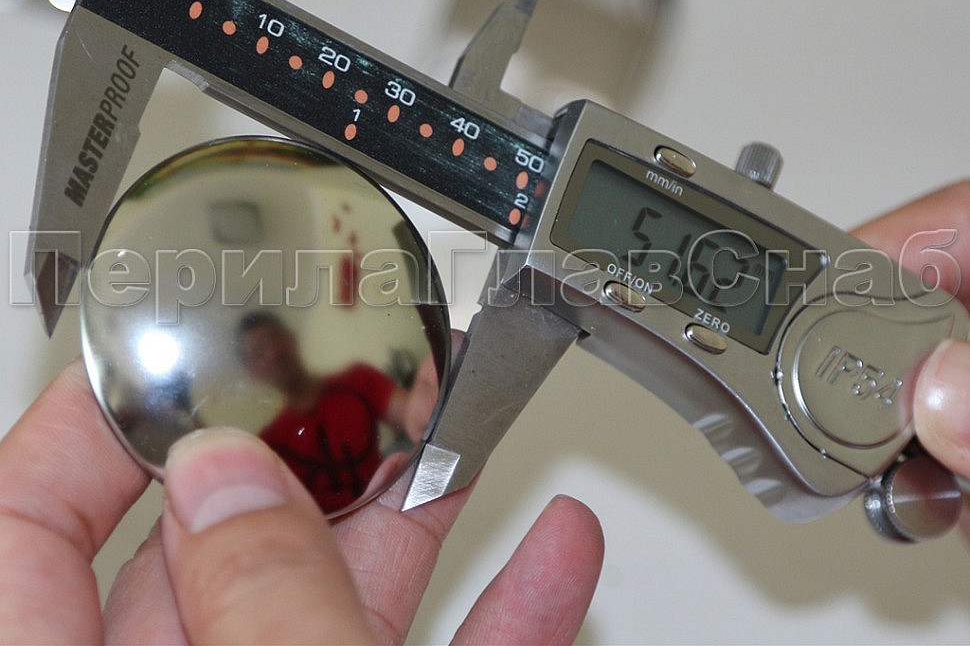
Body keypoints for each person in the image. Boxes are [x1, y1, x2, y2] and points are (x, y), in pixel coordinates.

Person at [0, 182, 967, 643]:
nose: (268, 357)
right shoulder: (276, 418)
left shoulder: (365, 384)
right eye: (254, 354)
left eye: (267, 344)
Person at [237, 312, 437, 512]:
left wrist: (426, 405)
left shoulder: (358, 380)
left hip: (390, 502)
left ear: (291, 336)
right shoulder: (268, 446)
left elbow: (411, 413)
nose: (273, 352)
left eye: (274, 337)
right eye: (258, 351)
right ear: (252, 372)